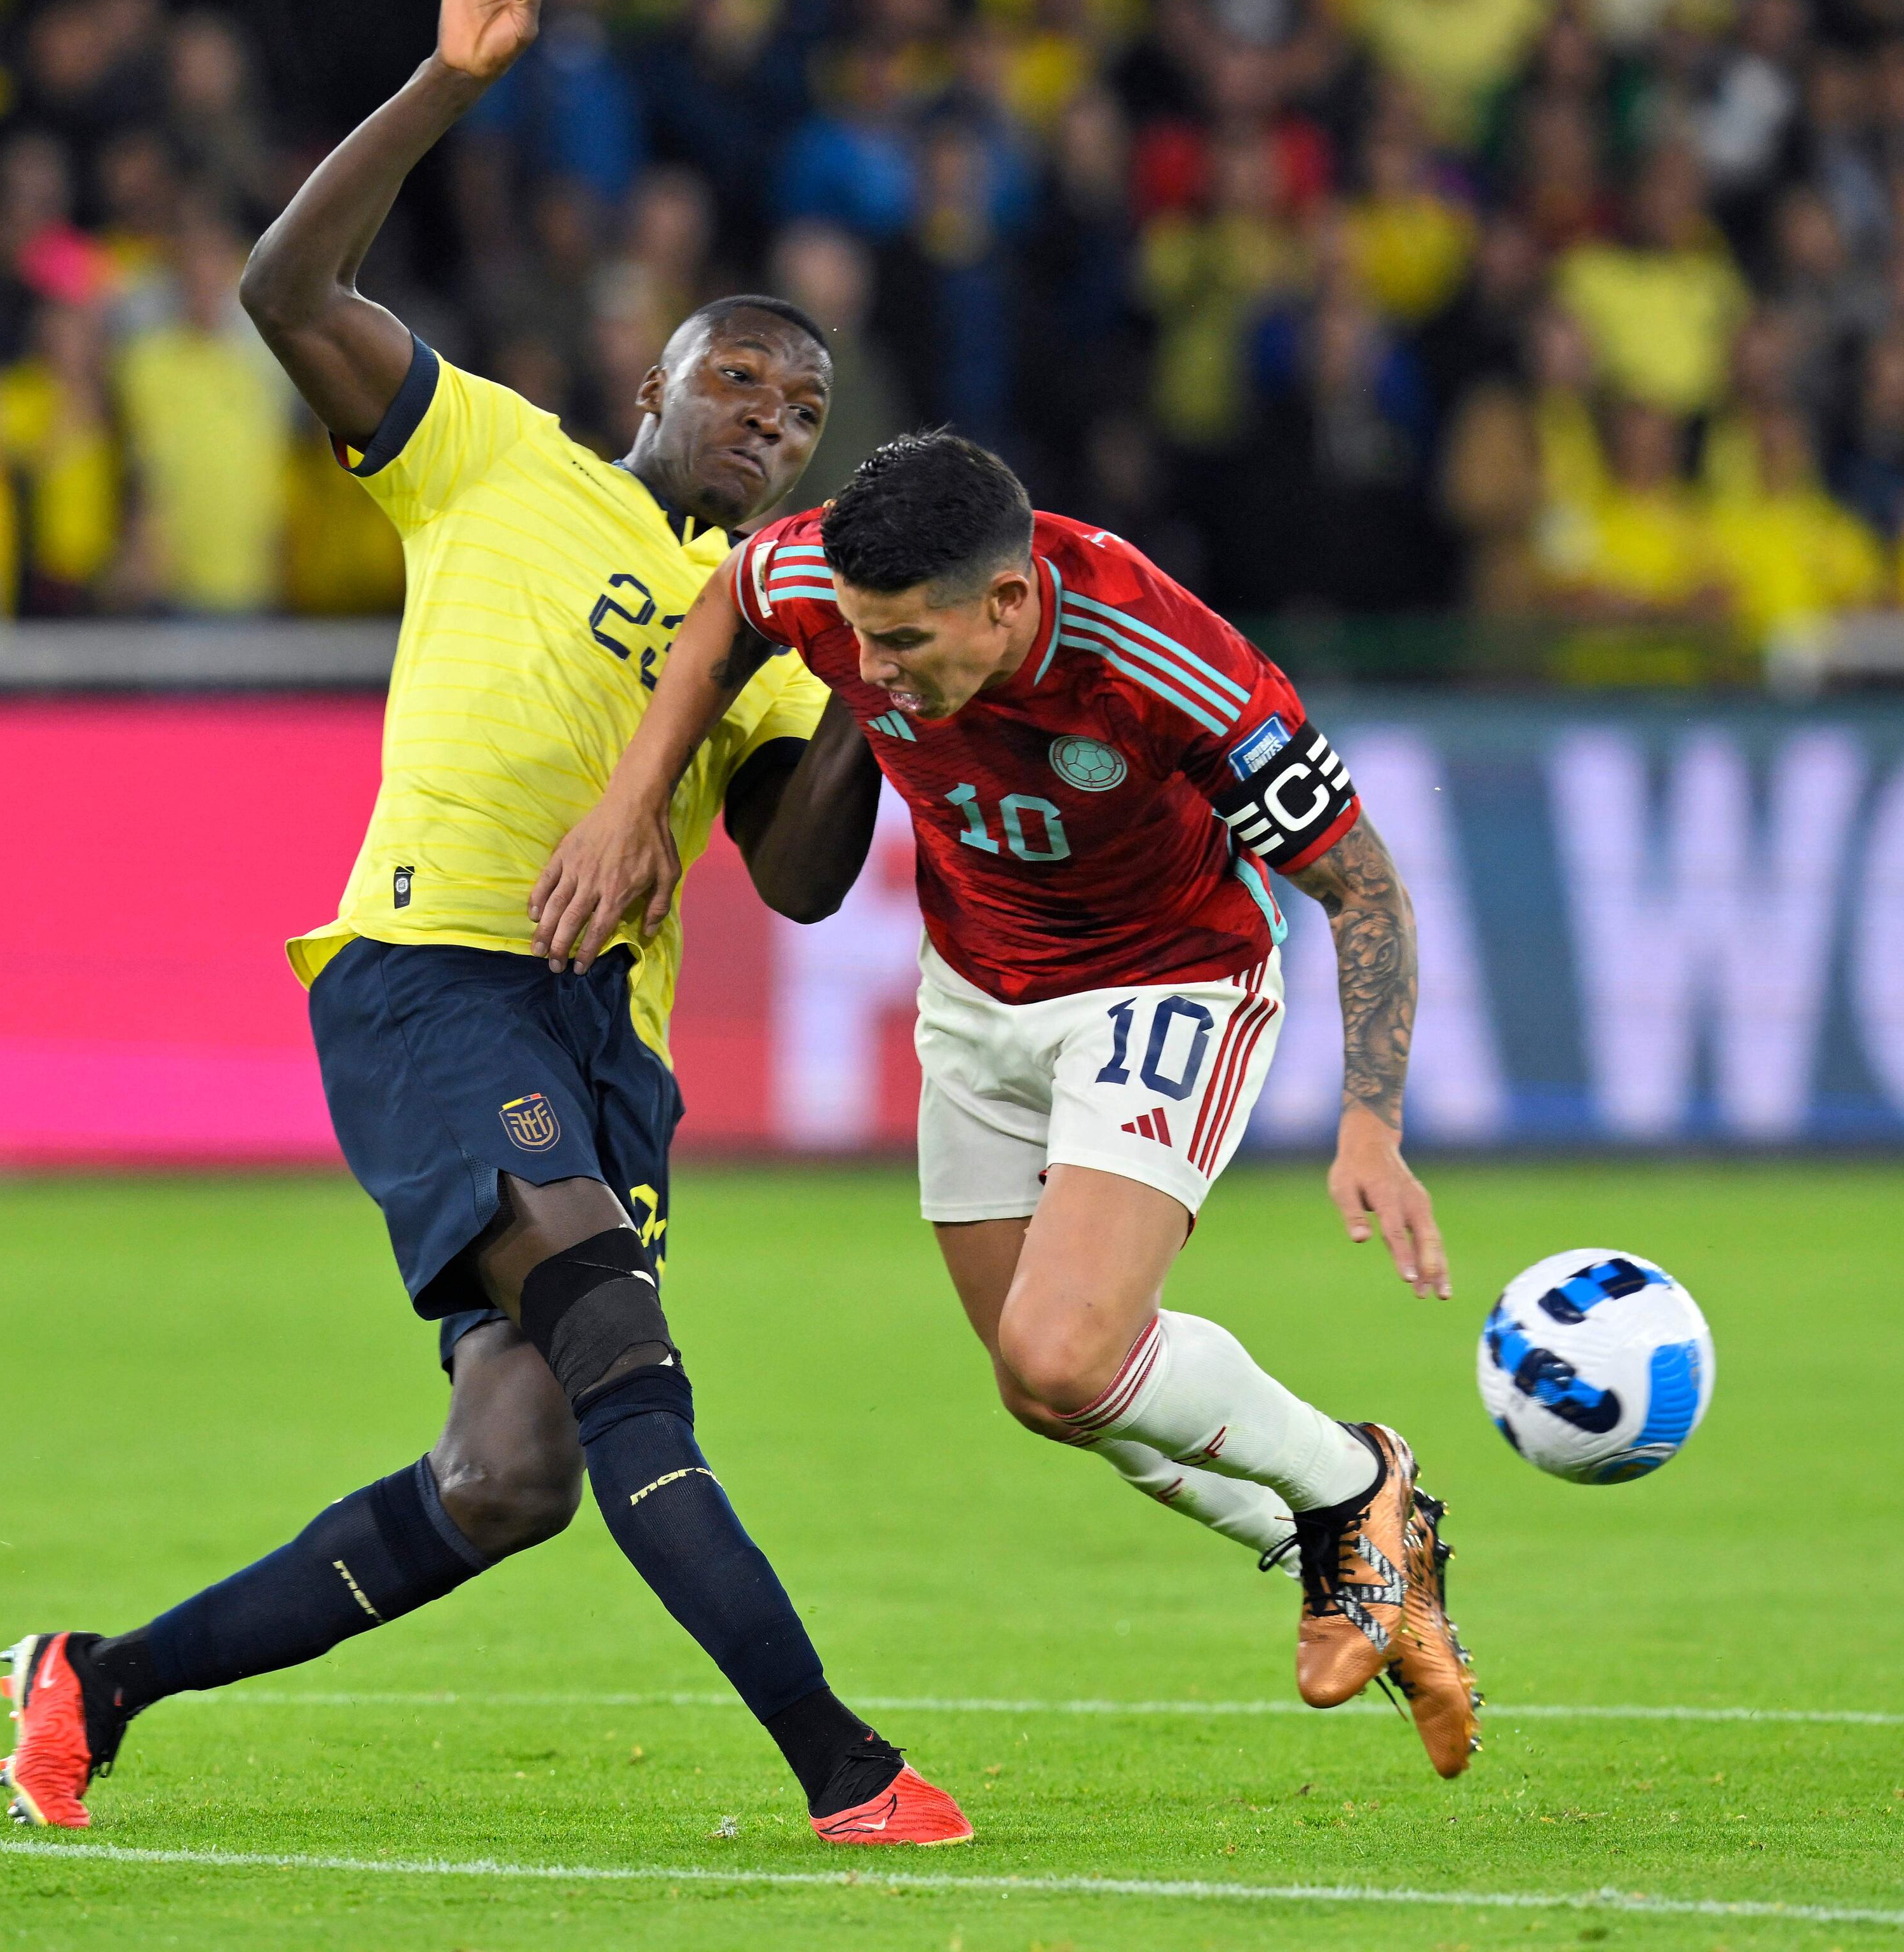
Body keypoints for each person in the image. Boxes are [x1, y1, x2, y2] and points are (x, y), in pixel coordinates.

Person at [0, 0, 970, 1850]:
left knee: (512, 1470)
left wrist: (877, 674)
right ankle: (849, 1772)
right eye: (745, 386)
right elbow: (286, 286)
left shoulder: (767, 624)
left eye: (803, 413)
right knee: (626, 1360)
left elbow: (792, 876)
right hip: (439, 968)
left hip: (605, 1036)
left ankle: (92, 1679)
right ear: (657, 377)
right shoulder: (497, 459)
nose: (776, 427)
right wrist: (451, 80)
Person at [534, 430, 1482, 1777]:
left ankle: (1355, 1487)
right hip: (975, 988)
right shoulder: (830, 578)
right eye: (858, 637)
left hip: (1167, 979)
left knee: (1063, 1349)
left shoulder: (1162, 657)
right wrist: (632, 804)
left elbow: (1363, 884)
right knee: (1047, 1392)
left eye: (905, 642)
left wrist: (1370, 1118)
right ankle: (1345, 1544)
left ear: (1006, 602)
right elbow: (727, 607)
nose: (869, 672)